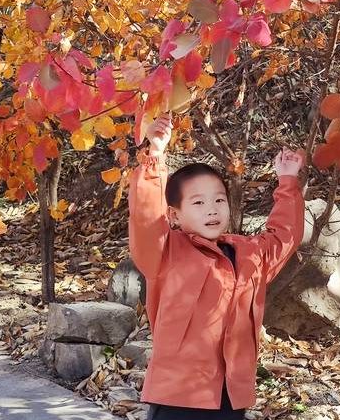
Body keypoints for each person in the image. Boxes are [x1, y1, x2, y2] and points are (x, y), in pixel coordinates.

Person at [128, 113, 305, 420]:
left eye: (219, 200)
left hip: (230, 396)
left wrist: (288, 181)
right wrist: (154, 156)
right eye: (198, 203)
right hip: (177, 397)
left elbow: (284, 237)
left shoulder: (249, 254)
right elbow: (145, 219)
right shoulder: (165, 252)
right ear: (174, 215)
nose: (211, 210)